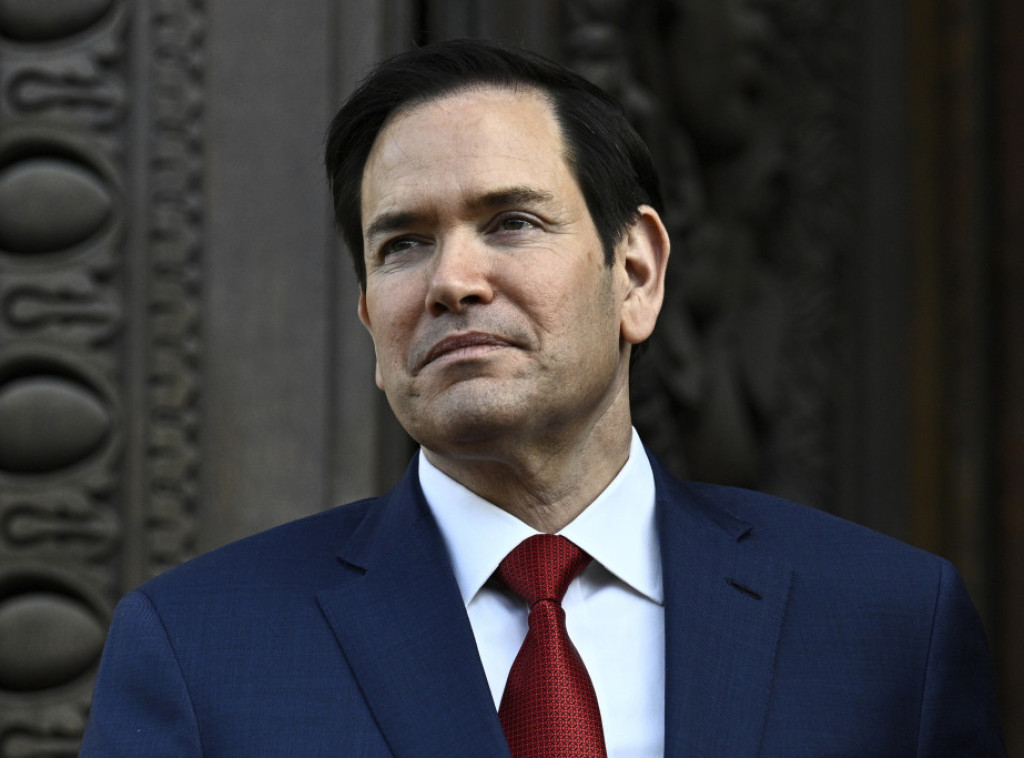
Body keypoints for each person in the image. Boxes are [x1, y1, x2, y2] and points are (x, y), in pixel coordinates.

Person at [80, 39, 1005, 757]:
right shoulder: (203, 649)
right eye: (403, 245)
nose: (452, 281)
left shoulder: (887, 626)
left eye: (511, 222)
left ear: (636, 273)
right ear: (369, 319)